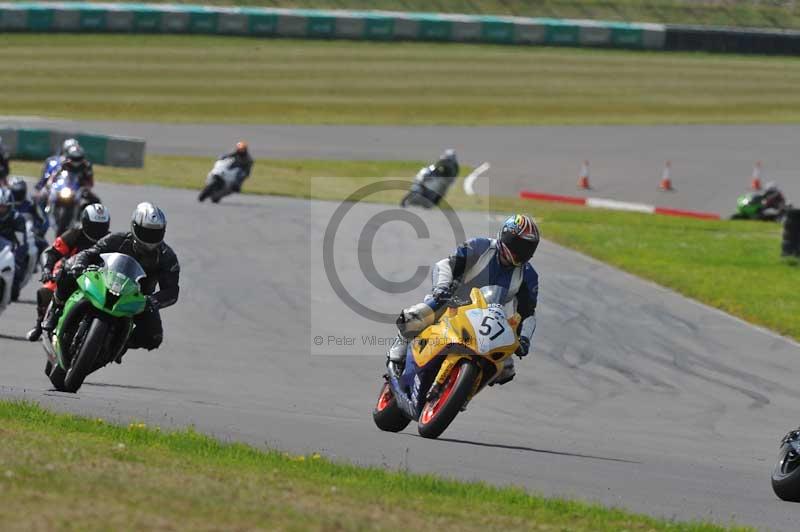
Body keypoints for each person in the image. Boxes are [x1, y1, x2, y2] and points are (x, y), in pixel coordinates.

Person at [387, 214, 540, 386]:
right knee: (418, 315)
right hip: (453, 302)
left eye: (528, 248)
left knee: (506, 369)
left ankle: (465, 391)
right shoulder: (480, 246)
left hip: (488, 319)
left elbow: (527, 314)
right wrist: (441, 288)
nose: (521, 251)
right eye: (518, 244)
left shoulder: (528, 275)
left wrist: (524, 338)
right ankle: (399, 348)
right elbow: (445, 265)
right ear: (505, 235)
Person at [42, 202, 179, 357]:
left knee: (154, 338)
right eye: (145, 232)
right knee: (68, 268)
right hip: (106, 283)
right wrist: (79, 265)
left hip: (138, 299)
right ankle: (55, 309)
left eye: (155, 233)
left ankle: (119, 345)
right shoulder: (117, 239)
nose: (150, 238)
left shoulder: (167, 257)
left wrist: (153, 300)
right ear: (134, 227)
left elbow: (172, 290)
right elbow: (89, 253)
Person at [26, 203, 110, 341]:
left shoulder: (110, 240)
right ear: (85, 222)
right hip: (70, 273)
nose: (97, 230)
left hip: (98, 279)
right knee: (46, 291)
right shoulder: (74, 234)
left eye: (101, 226)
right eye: (94, 225)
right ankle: (40, 324)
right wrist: (47, 269)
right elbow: (52, 252)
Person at [0, 187, 34, 301]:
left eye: (3, 207)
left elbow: (21, 243)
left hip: (9, 250)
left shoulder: (17, 218)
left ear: (9, 206)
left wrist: (16, 260)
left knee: (17, 270)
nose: (0, 210)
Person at [8, 176, 49, 257]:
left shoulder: (31, 204)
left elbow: (44, 221)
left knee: (46, 248)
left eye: (19, 192)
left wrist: (38, 230)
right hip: (8, 235)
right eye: (15, 192)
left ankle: (45, 268)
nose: (17, 195)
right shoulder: (5, 206)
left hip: (30, 235)